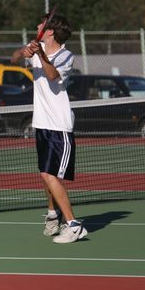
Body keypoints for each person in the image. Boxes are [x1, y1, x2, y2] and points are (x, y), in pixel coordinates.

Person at [11, 13, 87, 243]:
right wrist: (23, 52)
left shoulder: (66, 56)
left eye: (42, 25)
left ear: (50, 31)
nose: (37, 26)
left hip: (59, 125)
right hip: (41, 123)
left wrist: (40, 54)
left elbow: (53, 75)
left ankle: (74, 225)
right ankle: (53, 215)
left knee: (48, 174)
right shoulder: (36, 46)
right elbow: (13, 59)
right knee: (45, 174)